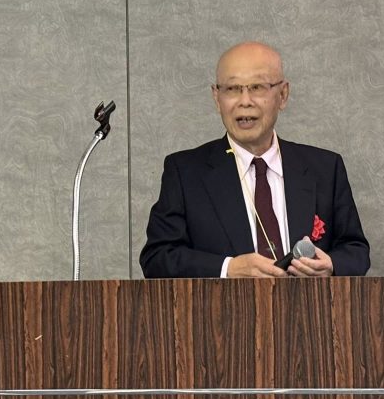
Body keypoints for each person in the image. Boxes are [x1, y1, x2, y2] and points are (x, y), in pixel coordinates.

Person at [140, 42, 370, 279]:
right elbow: (157, 258)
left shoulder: (325, 168)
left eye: (257, 87)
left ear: (283, 95)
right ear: (217, 98)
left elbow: (355, 250)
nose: (245, 101)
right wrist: (228, 268)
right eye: (232, 89)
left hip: (310, 304)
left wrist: (331, 265)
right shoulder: (185, 172)